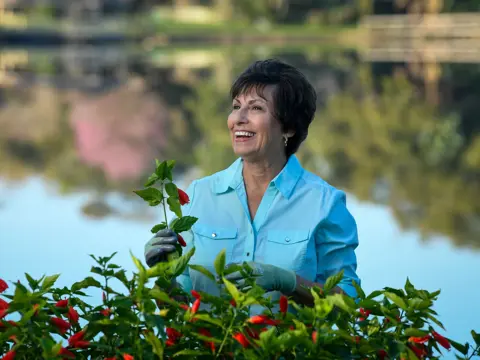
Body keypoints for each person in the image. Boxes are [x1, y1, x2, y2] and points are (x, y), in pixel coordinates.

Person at [144, 59, 360, 311]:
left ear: (288, 127)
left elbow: (349, 303)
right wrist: (162, 272)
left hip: (290, 350)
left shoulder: (325, 203)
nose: (239, 118)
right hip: (207, 349)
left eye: (256, 108)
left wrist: (289, 283)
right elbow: (176, 304)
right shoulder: (198, 195)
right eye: (236, 107)